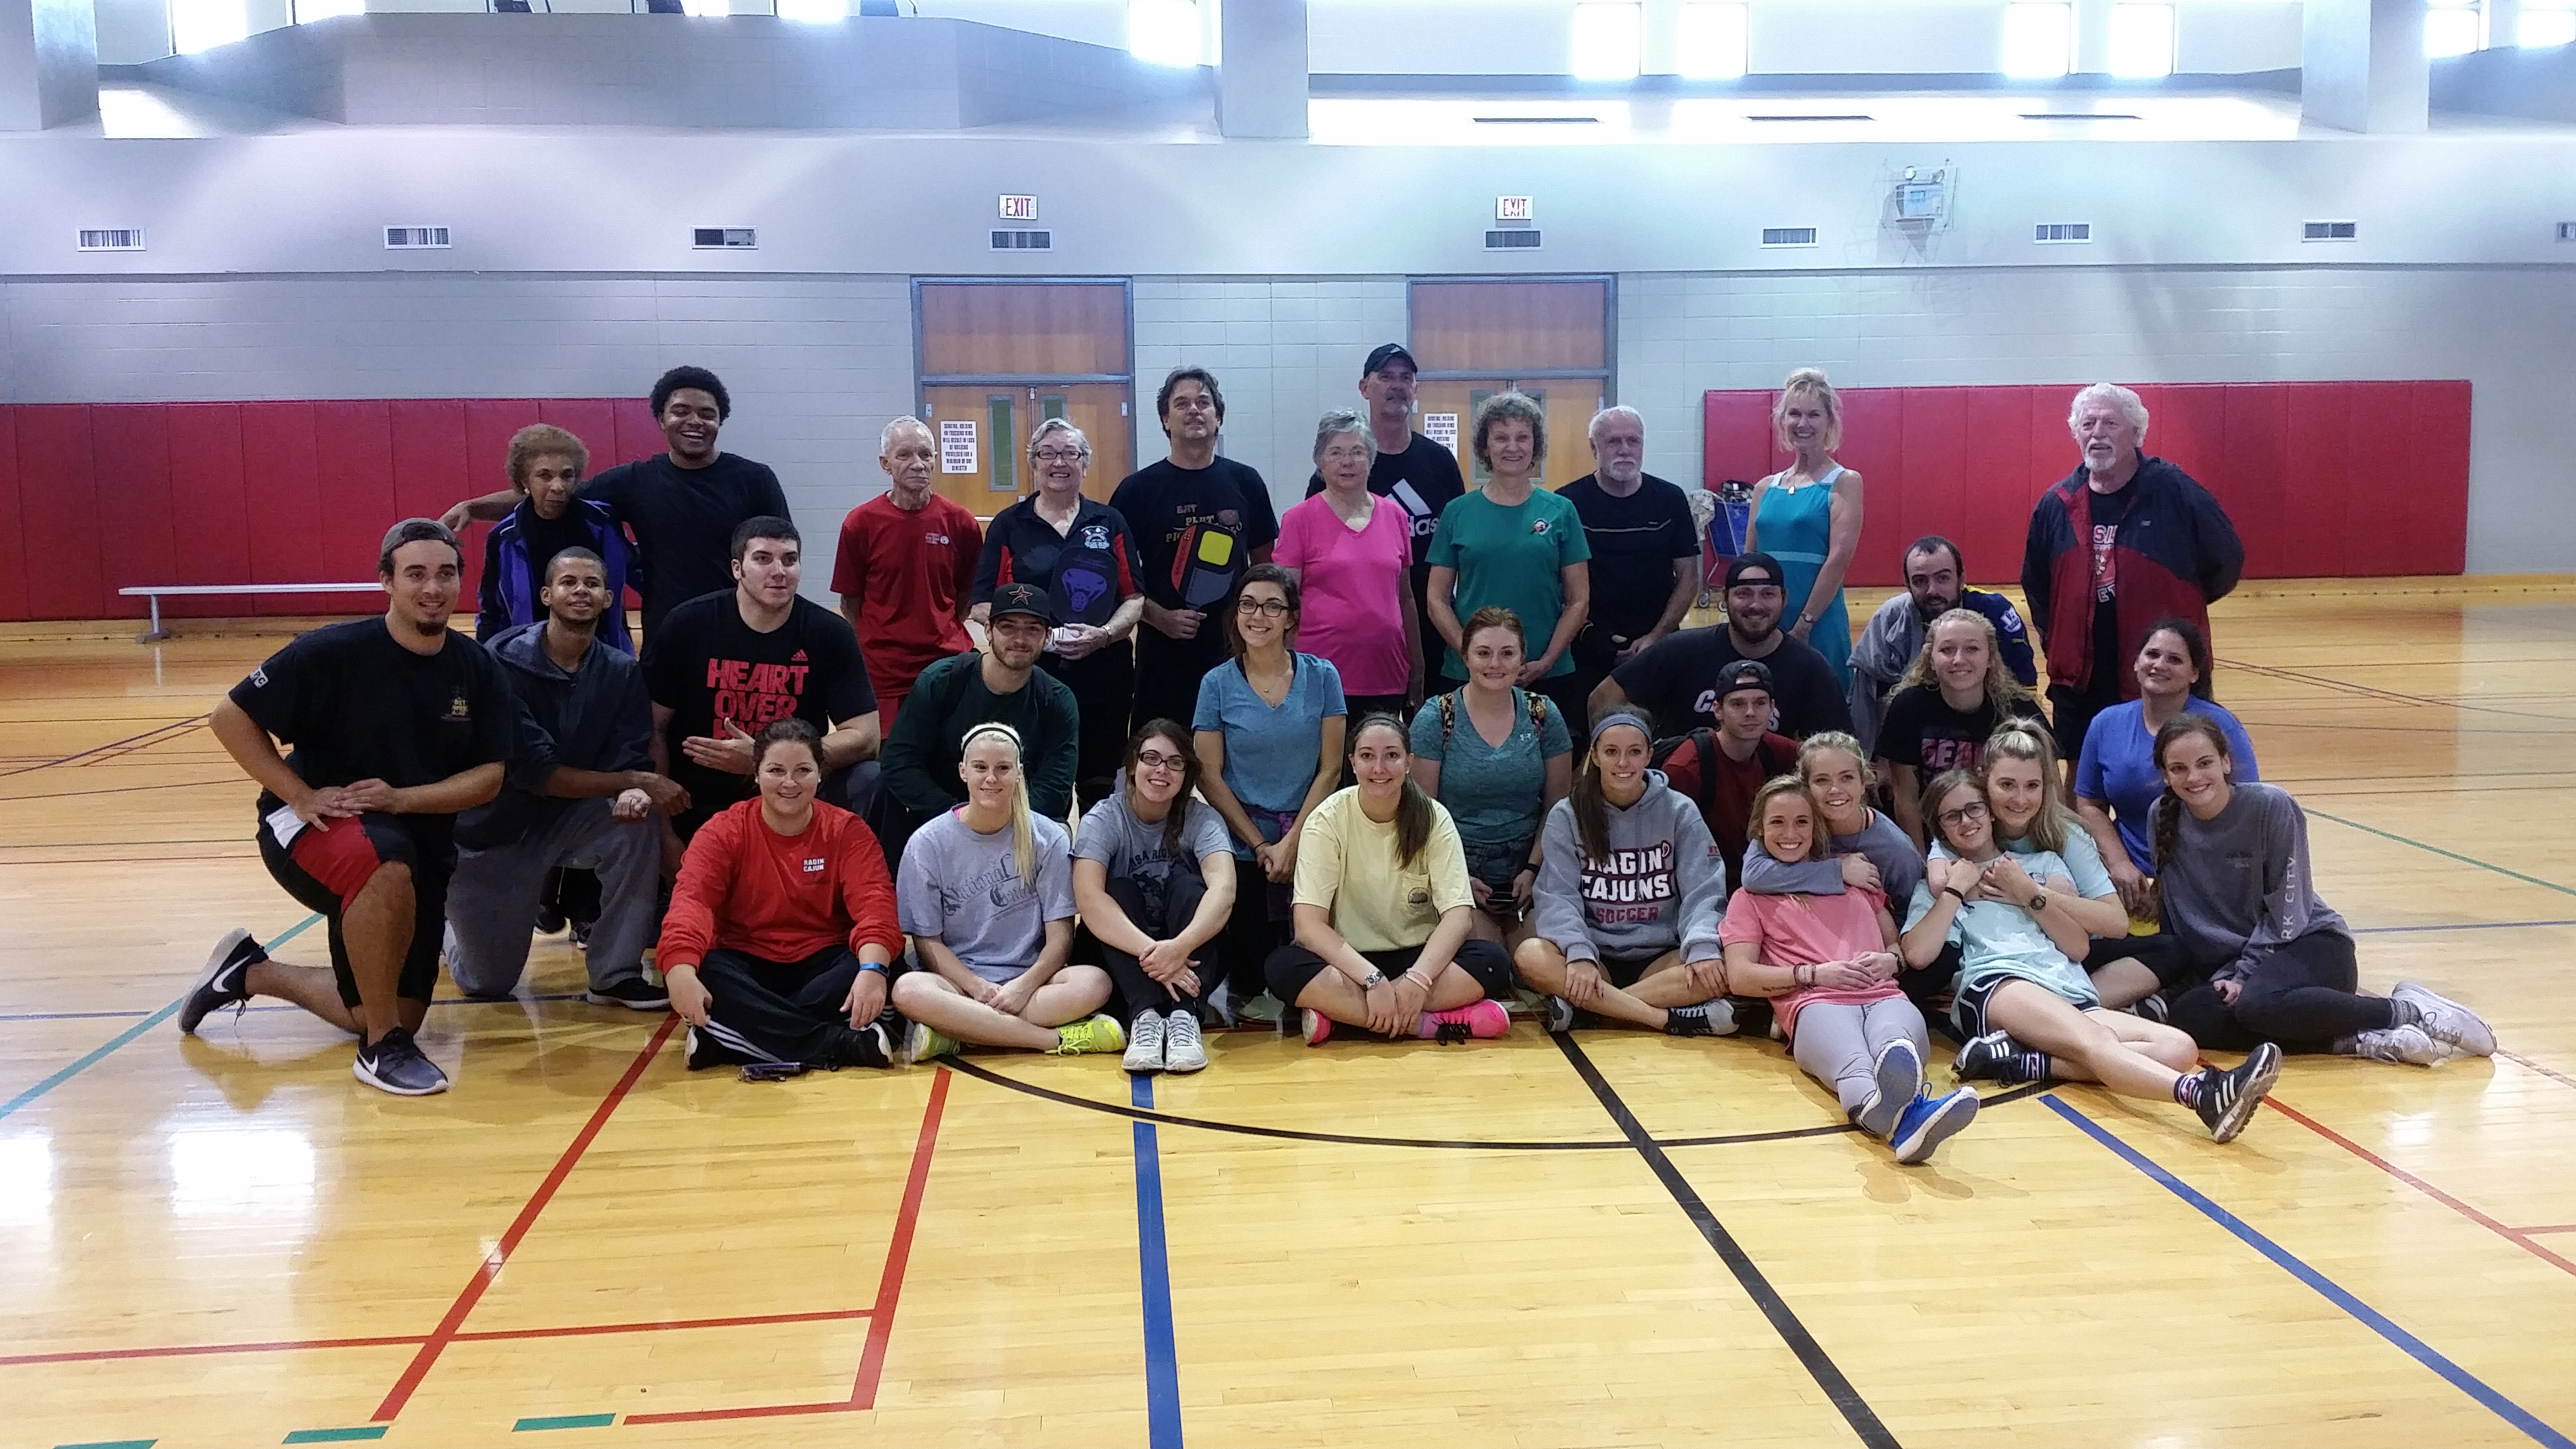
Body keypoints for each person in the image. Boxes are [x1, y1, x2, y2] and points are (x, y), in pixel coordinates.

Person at [181, 520, 513, 1097]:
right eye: (415, 575)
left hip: (416, 835)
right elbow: (229, 718)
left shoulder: (475, 666)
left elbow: (489, 777)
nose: (432, 588)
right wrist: (299, 794)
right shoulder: (332, 651)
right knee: (386, 867)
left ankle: (251, 971)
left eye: (445, 573)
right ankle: (380, 1050)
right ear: (386, 581)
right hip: (315, 823)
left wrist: (402, 799)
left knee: (396, 1005)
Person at [1900, 770, 2282, 1143]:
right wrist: (1952, 892)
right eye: (1953, 816)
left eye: (1974, 809)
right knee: (2095, 1040)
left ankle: (2023, 1062)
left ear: (1991, 811)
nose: (1967, 821)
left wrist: (2027, 894)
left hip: (2066, 986)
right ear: (1941, 828)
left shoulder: (2043, 865)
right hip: (1998, 985)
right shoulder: (1938, 886)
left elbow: (2078, 947)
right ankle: (2201, 1095)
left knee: (2179, 1048)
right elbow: (1918, 955)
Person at [2150, 715, 2495, 1066]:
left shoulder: (2271, 806)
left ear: (2226, 761)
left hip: (2309, 945)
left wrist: (2244, 973)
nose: (2193, 777)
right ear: (2165, 775)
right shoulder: (2160, 818)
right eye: (2178, 768)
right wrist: (2220, 977)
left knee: (2259, 1004)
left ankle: (2408, 1011)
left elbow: (2289, 909)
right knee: (2189, 1016)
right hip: (2237, 968)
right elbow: (2179, 913)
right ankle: (2361, 1040)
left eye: (2204, 763)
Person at [443, 547, 679, 1010]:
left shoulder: (620, 670)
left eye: (592, 584)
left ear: (609, 598)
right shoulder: (503, 662)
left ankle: (614, 974)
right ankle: (445, 926)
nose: (581, 592)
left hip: (571, 821)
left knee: (637, 824)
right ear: (547, 594)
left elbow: (630, 752)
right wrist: (634, 779)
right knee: (487, 983)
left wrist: (633, 789)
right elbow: (539, 774)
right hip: (497, 833)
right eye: (569, 583)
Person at [1722, 778, 1979, 1164]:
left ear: (1816, 827)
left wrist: (1891, 961)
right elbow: (1740, 976)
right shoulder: (1749, 899)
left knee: (1896, 1045)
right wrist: (1814, 974)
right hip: (1815, 1002)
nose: (1790, 834)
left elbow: (1897, 948)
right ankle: (1910, 1118)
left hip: (1882, 994)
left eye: (1802, 822)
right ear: (1759, 828)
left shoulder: (1858, 880)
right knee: (1855, 1062)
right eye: (1777, 822)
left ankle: (1896, 1120)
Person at [443, 366, 789, 642]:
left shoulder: (755, 479)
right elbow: (551, 495)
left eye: (707, 414)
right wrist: (474, 508)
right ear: (660, 419)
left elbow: (782, 559)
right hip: (668, 633)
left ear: (720, 421)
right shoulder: (635, 481)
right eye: (681, 411)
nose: (694, 421)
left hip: (740, 627)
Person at [2021, 382, 2246, 763]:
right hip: (2081, 675)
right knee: (2081, 780)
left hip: (2159, 669)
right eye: (2088, 424)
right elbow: (2038, 585)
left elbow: (2226, 560)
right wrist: (2060, 639)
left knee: (2167, 769)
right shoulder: (2057, 504)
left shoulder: (2174, 491)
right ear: (2076, 433)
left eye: (2111, 424)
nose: (2098, 434)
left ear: (2136, 433)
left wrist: (2178, 607)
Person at [657, 720, 901, 1072]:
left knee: (879, 966)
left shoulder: (847, 831)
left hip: (823, 963)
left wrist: (873, 969)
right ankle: (842, 1042)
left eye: (803, 770)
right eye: (776, 770)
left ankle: (728, 1037)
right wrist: (679, 971)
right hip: (746, 961)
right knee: (704, 969)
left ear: (821, 775)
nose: (789, 783)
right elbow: (691, 903)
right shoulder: (723, 831)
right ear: (755, 775)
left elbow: (876, 907)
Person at [1265, 715, 1516, 1046]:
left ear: (1409, 762)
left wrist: (1418, 979)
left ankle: (1344, 1021)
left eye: (1392, 756)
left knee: (1493, 961)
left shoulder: (1434, 818)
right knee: (1281, 968)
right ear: (1352, 762)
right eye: (1367, 756)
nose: (1379, 768)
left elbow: (1458, 917)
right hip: (1350, 963)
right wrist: (1372, 981)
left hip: (1419, 958)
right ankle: (1427, 1024)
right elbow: (1309, 927)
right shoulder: (1326, 820)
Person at [893, 723, 1124, 1062]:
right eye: (980, 768)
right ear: (962, 771)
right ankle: (1054, 1039)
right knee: (908, 990)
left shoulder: (1049, 838)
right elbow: (929, 944)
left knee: (1095, 983)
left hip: (1031, 983)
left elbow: (1061, 939)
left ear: (1019, 774)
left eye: (1003, 768)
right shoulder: (927, 844)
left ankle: (962, 1033)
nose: (991, 779)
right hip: (959, 985)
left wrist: (1024, 985)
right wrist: (975, 987)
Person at [644, 517, 878, 843]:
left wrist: (767, 759)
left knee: (871, 778)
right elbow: (653, 727)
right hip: (696, 801)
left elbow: (866, 737)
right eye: (763, 559)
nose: (779, 571)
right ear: (737, 568)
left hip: (793, 797)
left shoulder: (830, 633)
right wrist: (664, 833)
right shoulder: (688, 624)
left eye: (790, 560)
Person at [1513, 711, 1736, 1038]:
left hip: (1662, 957)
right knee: (1529, 955)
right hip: (1595, 956)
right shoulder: (1568, 813)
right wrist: (1578, 953)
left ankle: (1595, 1010)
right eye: (1612, 752)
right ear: (1595, 756)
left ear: (1649, 755)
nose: (1623, 762)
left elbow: (1704, 889)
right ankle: (1667, 1019)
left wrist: (1702, 945)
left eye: (1634, 752)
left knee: (1726, 964)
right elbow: (1557, 897)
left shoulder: (1679, 810)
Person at [1193, 564, 1348, 1020]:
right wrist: (1261, 845)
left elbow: (1332, 768)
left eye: (1272, 606)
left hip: (1311, 834)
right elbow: (1209, 776)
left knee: (1308, 959)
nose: (1258, 616)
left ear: (1291, 618)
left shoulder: (1323, 677)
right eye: (1248, 605)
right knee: (1249, 977)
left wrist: (1294, 840)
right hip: (1243, 846)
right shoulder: (1216, 683)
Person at [975, 418, 1146, 803]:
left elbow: (1135, 598)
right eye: (1047, 453)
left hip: (1105, 674)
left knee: (1100, 787)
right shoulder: (1008, 525)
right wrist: (1034, 639)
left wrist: (1104, 636)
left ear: (1085, 464)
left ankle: (1097, 862)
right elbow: (984, 602)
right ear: (1033, 463)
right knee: (1036, 784)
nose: (1059, 462)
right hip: (1032, 677)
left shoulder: (1110, 521)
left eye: (1071, 453)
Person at [1112, 367, 1280, 735]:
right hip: (1162, 655)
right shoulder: (1137, 490)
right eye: (1182, 403)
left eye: (1203, 402)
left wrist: (1250, 619)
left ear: (1218, 418)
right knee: (1162, 756)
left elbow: (1265, 568)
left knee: (1231, 754)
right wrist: (1158, 617)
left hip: (1234, 649)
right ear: (1165, 419)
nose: (1194, 410)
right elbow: (1117, 575)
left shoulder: (1246, 482)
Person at [1982, 721, 2185, 1014]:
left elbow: (2115, 923)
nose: (2020, 800)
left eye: (2032, 786)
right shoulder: (1970, 826)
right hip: (2009, 955)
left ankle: (2068, 1009)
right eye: (2007, 785)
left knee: (2171, 950)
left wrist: (2030, 893)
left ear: (2046, 786)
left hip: (2072, 952)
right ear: (1983, 779)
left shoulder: (2067, 833)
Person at [1072, 720, 1235, 1074]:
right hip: (1125, 959)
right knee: (1118, 890)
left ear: (1186, 773)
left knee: (1193, 888)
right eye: (1152, 758)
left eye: (1175, 762)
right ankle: (1145, 1019)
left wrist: (1177, 949)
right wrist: (1157, 956)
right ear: (1133, 765)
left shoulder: (1202, 819)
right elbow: (1089, 899)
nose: (1162, 770)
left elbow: (1224, 890)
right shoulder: (1104, 819)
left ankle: (1184, 1020)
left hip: (1187, 957)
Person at [1739, 731, 1939, 1017]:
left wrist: (1892, 958)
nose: (1835, 790)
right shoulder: (1792, 823)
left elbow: (1912, 911)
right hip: (1801, 947)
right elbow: (1754, 875)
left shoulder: (1895, 849)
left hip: (1865, 950)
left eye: (1846, 778)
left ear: (1863, 782)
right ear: (1805, 785)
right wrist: (1838, 871)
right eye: (1821, 780)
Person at [1301, 343, 1467, 687]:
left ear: (1416, 389)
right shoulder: (1335, 474)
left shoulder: (1440, 463)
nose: (1397, 385)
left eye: (1406, 378)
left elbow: (1459, 545)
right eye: (1386, 376)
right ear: (1364, 387)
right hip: (1356, 636)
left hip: (1434, 619)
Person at [878, 581, 1081, 861]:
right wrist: (960, 818)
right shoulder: (942, 681)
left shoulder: (1057, 700)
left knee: (1059, 834)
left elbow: (1056, 785)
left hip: (1019, 825)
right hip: (940, 818)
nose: (1020, 639)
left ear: (1047, 637)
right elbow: (900, 762)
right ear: (988, 630)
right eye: (1008, 627)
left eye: (1032, 629)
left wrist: (1001, 825)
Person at [1407, 608, 1573, 949]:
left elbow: (1558, 806)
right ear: (1465, 657)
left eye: (1507, 653)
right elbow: (1423, 813)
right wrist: (1457, 879)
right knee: (1487, 961)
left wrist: (1533, 869)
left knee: (1544, 960)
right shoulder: (1436, 718)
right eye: (1484, 653)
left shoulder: (1543, 714)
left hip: (1529, 869)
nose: (1495, 664)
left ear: (1522, 659)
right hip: (1459, 868)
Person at [1425, 391, 1592, 725]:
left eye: (1522, 437)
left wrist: (1545, 661)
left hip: (1546, 672)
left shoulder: (1561, 511)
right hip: (1468, 673)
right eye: (1501, 438)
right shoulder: (1458, 512)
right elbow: (1436, 599)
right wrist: (1473, 657)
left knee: (1551, 772)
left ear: (1536, 445)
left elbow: (1578, 600)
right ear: (1485, 447)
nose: (1512, 447)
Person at [2076, 616, 2260, 913]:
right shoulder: (2106, 724)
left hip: (2205, 877)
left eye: (2174, 659)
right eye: (2152, 654)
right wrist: (2120, 864)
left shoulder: (2220, 725)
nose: (2159, 665)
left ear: (2194, 674)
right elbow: (2089, 804)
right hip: (2129, 882)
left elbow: (2247, 807)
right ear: (2136, 663)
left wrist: (2174, 886)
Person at [1592, 551, 1850, 741]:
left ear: (1784, 599)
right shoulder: (1682, 650)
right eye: (1744, 594)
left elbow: (1837, 748)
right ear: (1725, 599)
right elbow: (1602, 699)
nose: (1756, 605)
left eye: (1768, 594)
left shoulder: (1810, 668)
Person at [833, 416, 983, 726]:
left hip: (946, 662)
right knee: (887, 764)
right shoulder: (860, 523)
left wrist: (941, 625)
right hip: (883, 671)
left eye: (926, 455)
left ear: (935, 461)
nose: (918, 464)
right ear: (885, 464)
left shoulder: (961, 522)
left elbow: (966, 593)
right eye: (905, 455)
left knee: (950, 757)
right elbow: (851, 602)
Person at [1276, 408, 1422, 720]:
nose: (1347, 462)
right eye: (1336, 453)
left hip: (1387, 674)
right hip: (1318, 678)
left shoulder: (1395, 516)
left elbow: (1405, 597)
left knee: (1379, 768)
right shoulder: (1299, 520)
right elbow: (1283, 605)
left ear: (1371, 458)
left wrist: (1417, 665)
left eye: (1357, 452)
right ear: (1320, 462)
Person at [1558, 405, 1701, 719]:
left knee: (1658, 736)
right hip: (1587, 647)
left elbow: (1689, 577)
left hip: (1659, 645)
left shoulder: (1670, 499)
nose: (1625, 450)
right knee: (1588, 739)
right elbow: (1559, 583)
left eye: (1633, 441)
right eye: (1613, 442)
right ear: (1594, 448)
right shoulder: (1567, 504)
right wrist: (1593, 638)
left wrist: (1656, 637)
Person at [1846, 536, 2035, 758]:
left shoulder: (1995, 612)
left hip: (1990, 739)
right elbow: (1870, 698)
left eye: (1943, 578)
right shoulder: (1890, 619)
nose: (1932, 591)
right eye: (1920, 581)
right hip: (1916, 741)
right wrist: (1880, 758)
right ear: (1907, 585)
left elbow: (2024, 692)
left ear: (1961, 578)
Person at [1874, 609, 2045, 848]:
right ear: (1930, 658)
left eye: (1972, 649)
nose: (1959, 660)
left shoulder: (2019, 710)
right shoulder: (1908, 708)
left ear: (1990, 659)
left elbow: (2050, 791)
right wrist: (1922, 865)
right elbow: (1906, 801)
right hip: (1937, 839)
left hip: (2007, 839)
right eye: (1947, 650)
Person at [1745, 369, 1865, 691]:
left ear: (1829, 421)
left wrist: (1804, 624)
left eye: (1814, 414)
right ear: (1783, 421)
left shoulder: (1845, 482)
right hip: (1764, 618)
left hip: (1817, 620)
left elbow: (1839, 558)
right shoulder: (1764, 488)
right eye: (1795, 414)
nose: (1803, 423)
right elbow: (1749, 561)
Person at [475, 424, 641, 655]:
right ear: (525, 482)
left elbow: (638, 571)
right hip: (529, 661)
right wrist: (486, 663)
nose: (558, 486)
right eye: (545, 476)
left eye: (567, 475)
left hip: (605, 655)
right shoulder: (504, 537)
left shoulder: (603, 522)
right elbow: (492, 611)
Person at [1650, 658, 1801, 880]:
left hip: (1762, 875)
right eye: (1738, 704)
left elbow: (1825, 763)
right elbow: (1664, 852)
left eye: (1760, 703)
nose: (1750, 712)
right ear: (1718, 710)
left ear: (1772, 708)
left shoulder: (1775, 750)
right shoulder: (1685, 769)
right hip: (1706, 885)